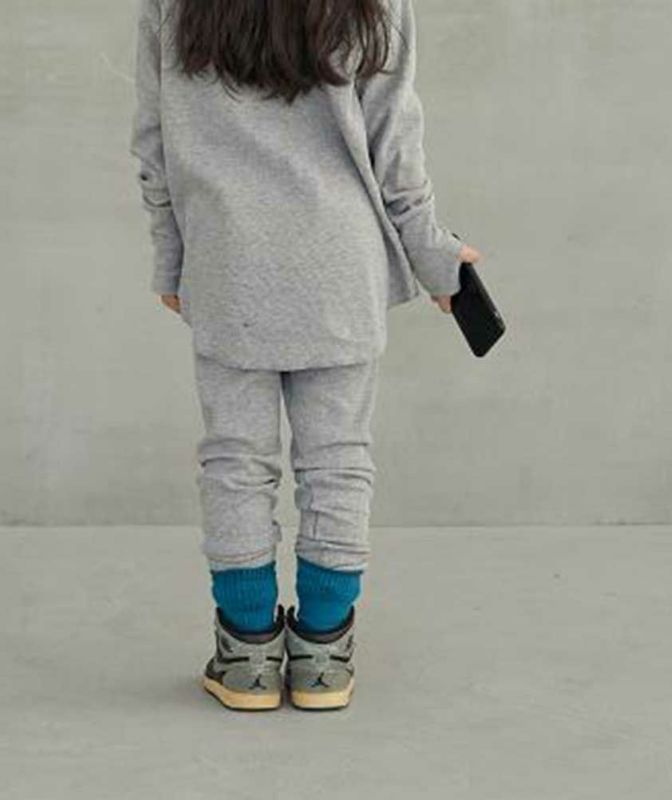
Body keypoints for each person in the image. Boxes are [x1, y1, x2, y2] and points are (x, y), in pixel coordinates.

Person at [130, 0, 482, 711]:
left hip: (228, 262)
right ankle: (323, 654)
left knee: (235, 460)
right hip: (339, 263)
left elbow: (154, 140)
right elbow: (394, 143)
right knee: (338, 459)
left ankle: (247, 656)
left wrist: (171, 259)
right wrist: (436, 260)